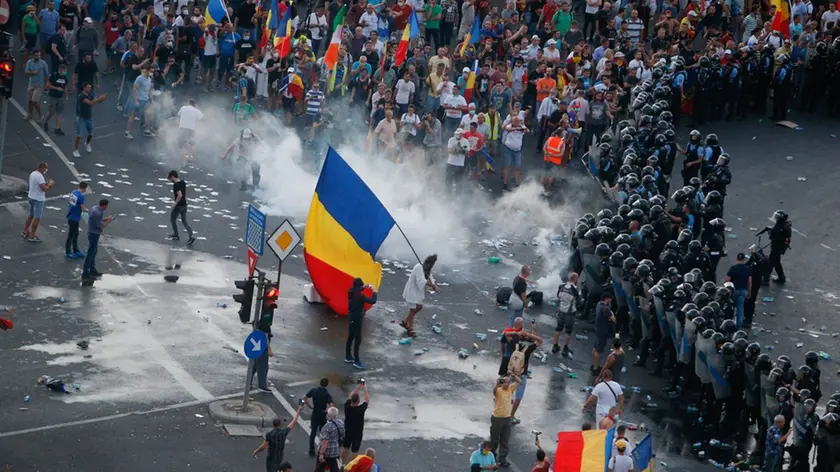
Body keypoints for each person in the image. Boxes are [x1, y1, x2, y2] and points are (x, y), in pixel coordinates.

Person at [253, 404, 303, 472]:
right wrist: (298, 411)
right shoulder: (283, 432)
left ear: (273, 425)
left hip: (271, 458)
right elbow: (293, 422)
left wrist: (256, 451)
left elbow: (263, 446)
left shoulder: (270, 434)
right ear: (280, 424)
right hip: (279, 457)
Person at [400, 254, 439, 335]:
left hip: (417, 292)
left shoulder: (426, 268)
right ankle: (410, 328)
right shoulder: (419, 267)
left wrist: (434, 285)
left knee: (416, 308)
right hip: (412, 290)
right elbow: (421, 281)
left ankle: (405, 321)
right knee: (415, 308)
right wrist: (432, 285)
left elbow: (430, 277)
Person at [346, 278, 378, 369]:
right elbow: (373, 300)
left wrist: (364, 286)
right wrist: (374, 291)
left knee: (350, 337)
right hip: (357, 319)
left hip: (351, 317)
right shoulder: (360, 296)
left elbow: (357, 289)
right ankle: (356, 361)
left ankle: (348, 356)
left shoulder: (350, 291)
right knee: (358, 339)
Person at [490, 374, 520, 468]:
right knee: (494, 439)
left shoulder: (511, 389)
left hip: (507, 418)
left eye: (508, 382)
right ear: (501, 383)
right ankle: (492, 456)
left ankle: (502, 459)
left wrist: (513, 375)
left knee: (505, 440)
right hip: (497, 418)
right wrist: (497, 384)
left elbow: (519, 381)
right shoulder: (498, 390)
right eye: (504, 382)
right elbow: (494, 391)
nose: (506, 384)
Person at [83, 199, 115, 281]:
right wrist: (108, 221)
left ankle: (92, 269)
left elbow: (98, 221)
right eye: (107, 205)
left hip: (91, 232)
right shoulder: (97, 213)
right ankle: (85, 273)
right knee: (90, 253)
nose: (107, 207)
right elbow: (101, 227)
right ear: (104, 205)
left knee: (94, 251)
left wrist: (105, 219)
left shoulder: (95, 208)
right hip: (94, 234)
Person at [73, 82, 107, 158]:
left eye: (90, 87)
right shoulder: (81, 96)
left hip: (89, 118)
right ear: (84, 88)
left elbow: (96, 100)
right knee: (79, 135)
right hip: (81, 118)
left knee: (91, 133)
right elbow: (91, 103)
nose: (90, 89)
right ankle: (75, 150)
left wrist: (102, 98)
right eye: (88, 87)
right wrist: (99, 99)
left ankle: (87, 144)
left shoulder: (90, 95)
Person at [23, 162, 54, 242]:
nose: (46, 170)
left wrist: (46, 183)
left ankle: (25, 231)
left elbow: (38, 185)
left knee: (30, 215)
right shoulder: (40, 177)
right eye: (46, 168)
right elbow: (44, 189)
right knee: (37, 217)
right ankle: (32, 235)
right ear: (43, 168)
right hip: (38, 199)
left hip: (31, 197)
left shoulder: (33, 174)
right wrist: (50, 185)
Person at [341, 380, 370, 463]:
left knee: (345, 448)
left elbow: (349, 397)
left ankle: (342, 464)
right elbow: (367, 400)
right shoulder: (360, 409)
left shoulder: (347, 407)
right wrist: (365, 388)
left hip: (347, 431)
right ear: (358, 401)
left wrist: (357, 388)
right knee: (355, 451)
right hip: (357, 433)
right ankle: (352, 466)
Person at [305, 378, 335, 456]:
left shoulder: (314, 390)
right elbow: (332, 405)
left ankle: (311, 451)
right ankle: (321, 450)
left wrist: (309, 406)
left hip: (315, 413)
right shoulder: (326, 394)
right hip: (322, 415)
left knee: (313, 433)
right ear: (326, 384)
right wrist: (327, 410)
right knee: (323, 434)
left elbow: (305, 398)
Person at [165, 171, 195, 245]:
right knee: (184, 221)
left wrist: (174, 204)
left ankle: (176, 234)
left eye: (170, 178)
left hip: (178, 205)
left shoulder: (176, 185)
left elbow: (180, 195)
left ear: (173, 176)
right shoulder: (183, 182)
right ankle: (191, 236)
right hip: (184, 205)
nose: (170, 180)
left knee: (173, 219)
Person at [553, 273, 580, 356]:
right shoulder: (575, 289)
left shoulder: (561, 285)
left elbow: (558, 296)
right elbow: (578, 300)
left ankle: (555, 346)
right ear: (575, 279)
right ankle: (565, 348)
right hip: (570, 313)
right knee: (568, 331)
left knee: (558, 329)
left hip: (561, 310)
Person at [725, 253, 752, 328]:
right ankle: (739, 326)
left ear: (737, 259)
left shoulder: (733, 268)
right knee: (740, 308)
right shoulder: (747, 268)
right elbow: (749, 282)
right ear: (743, 260)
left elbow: (727, 280)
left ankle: (729, 324)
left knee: (731, 307)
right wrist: (749, 292)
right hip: (743, 291)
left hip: (734, 291)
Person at [314, 407, 344, 472]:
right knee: (334, 467)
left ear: (328, 415)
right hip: (335, 451)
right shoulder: (340, 423)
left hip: (326, 452)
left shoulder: (327, 426)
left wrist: (321, 454)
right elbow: (342, 435)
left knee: (319, 468)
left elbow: (325, 441)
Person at [592, 293, 615, 374]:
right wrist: (612, 313)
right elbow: (613, 319)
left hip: (597, 328)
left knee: (595, 347)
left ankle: (594, 365)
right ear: (606, 299)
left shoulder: (599, 304)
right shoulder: (606, 308)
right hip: (603, 331)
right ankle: (595, 368)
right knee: (599, 350)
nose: (611, 300)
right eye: (610, 299)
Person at [24, 50, 50, 123]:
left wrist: (47, 84)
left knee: (34, 100)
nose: (38, 57)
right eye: (36, 55)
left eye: (39, 55)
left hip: (39, 85)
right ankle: (30, 114)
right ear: (33, 56)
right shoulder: (30, 62)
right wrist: (33, 72)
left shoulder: (43, 63)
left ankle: (40, 115)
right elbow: (26, 72)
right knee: (29, 100)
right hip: (31, 83)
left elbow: (47, 74)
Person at [43, 62, 69, 134]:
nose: (64, 72)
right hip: (53, 96)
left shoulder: (65, 78)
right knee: (51, 112)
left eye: (65, 71)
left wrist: (66, 96)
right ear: (59, 70)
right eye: (63, 70)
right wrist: (56, 88)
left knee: (59, 112)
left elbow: (65, 87)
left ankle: (57, 127)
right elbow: (47, 86)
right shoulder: (53, 76)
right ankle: (46, 121)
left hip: (60, 97)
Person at [176, 99, 203, 165]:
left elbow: (178, 115)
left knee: (182, 144)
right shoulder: (197, 111)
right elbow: (202, 119)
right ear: (195, 104)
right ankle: (190, 157)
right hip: (192, 129)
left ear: (189, 103)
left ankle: (182, 160)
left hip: (182, 128)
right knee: (191, 143)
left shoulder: (183, 108)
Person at [65, 181, 88, 259]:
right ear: (85, 189)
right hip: (75, 218)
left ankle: (75, 250)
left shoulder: (74, 192)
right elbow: (83, 209)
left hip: (70, 215)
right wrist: (88, 211)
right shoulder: (81, 197)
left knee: (75, 234)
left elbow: (70, 202)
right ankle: (68, 251)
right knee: (72, 235)